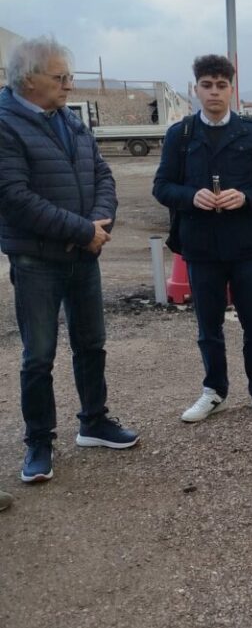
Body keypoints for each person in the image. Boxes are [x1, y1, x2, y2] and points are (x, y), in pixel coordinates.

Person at [0, 36, 139, 484]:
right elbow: (15, 198)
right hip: (38, 260)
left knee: (91, 344)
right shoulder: (5, 126)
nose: (68, 85)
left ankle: (94, 422)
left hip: (84, 255)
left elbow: (101, 174)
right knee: (38, 356)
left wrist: (102, 221)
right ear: (28, 80)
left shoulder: (70, 122)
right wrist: (84, 231)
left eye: (69, 77)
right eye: (59, 78)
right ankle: (39, 442)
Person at [153, 54, 252, 423]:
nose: (214, 92)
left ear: (232, 88)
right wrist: (189, 196)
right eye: (207, 85)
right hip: (200, 247)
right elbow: (162, 186)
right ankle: (214, 391)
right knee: (208, 327)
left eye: (221, 85)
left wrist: (246, 197)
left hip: (245, 244)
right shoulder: (179, 135)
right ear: (196, 88)